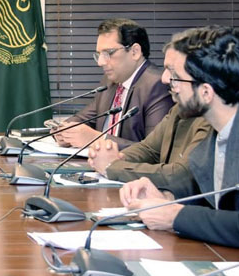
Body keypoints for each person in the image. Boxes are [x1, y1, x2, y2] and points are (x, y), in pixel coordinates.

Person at [120, 26, 239, 248]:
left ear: (206, 92)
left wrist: (176, 216)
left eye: (175, 76)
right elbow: (207, 190)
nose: (165, 80)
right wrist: (165, 197)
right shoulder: (215, 135)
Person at [87, 31, 212, 186]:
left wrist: (112, 167)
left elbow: (182, 175)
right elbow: (149, 149)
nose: (164, 78)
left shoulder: (213, 119)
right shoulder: (180, 109)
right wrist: (116, 158)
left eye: (173, 71)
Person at [54, 18, 173, 149]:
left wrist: (97, 140)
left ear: (135, 52)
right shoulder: (110, 81)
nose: (100, 62)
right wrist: (64, 132)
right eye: (99, 54)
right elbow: (84, 118)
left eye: (108, 53)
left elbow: (154, 150)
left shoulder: (157, 85)